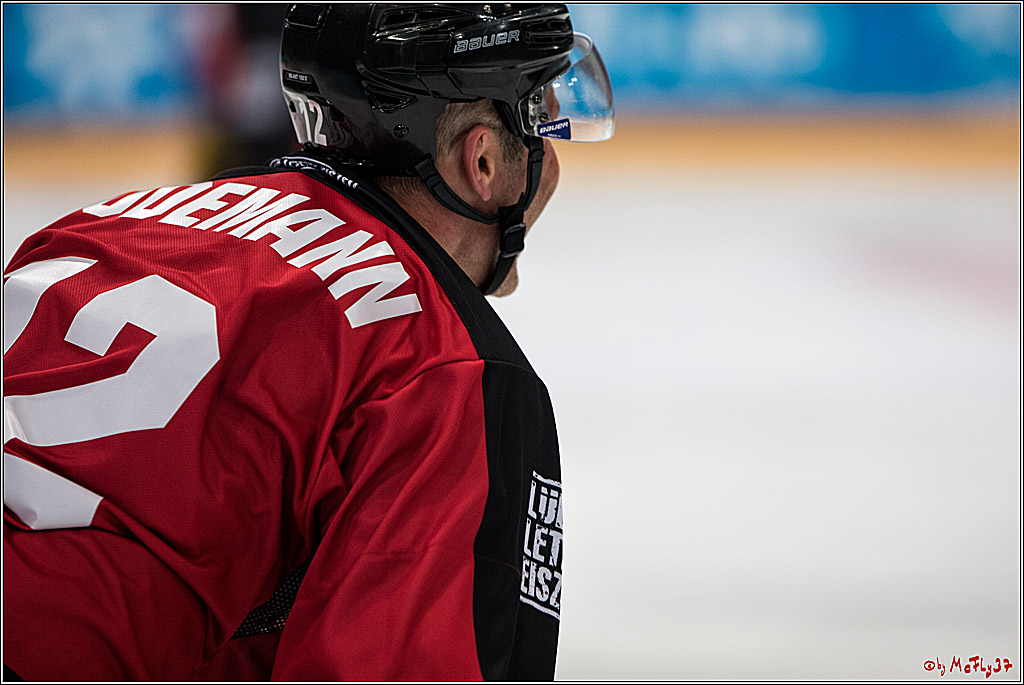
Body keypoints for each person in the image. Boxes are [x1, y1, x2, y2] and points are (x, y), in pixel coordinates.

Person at [2, 3, 613, 681]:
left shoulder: (97, 225)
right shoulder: (442, 360)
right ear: (485, 159)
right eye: (541, 128)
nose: (551, 159)